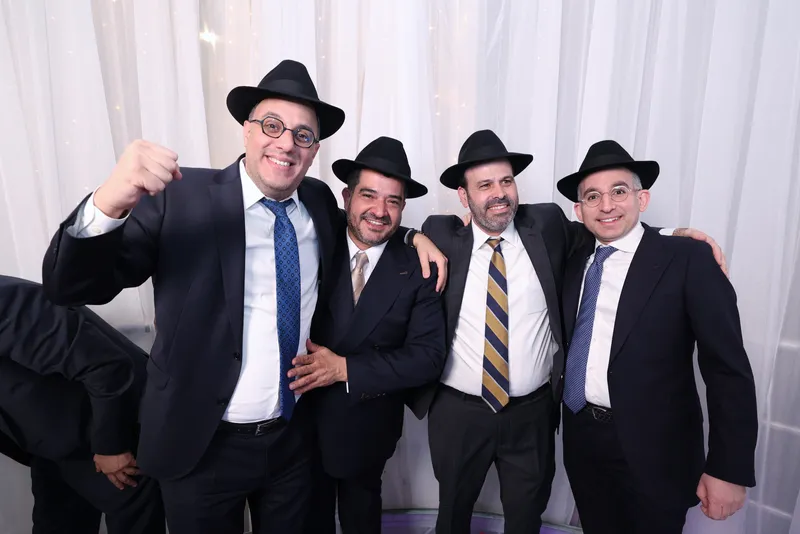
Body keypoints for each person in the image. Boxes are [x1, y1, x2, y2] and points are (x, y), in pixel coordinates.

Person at [40, 60, 445, 534]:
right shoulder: (179, 198)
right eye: (272, 125)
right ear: (247, 130)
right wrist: (108, 203)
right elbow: (72, 288)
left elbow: (368, 225)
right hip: (201, 446)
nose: (286, 143)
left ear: (313, 151)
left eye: (303, 135)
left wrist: (414, 236)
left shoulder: (317, 202)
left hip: (293, 444)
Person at [408, 129, 725, 534]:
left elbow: (613, 229)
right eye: (484, 185)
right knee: (452, 514)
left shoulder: (547, 225)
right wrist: (411, 235)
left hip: (531, 413)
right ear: (463, 195)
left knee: (526, 516)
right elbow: (386, 233)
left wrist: (672, 234)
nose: (499, 193)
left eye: (506, 181)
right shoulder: (439, 233)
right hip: (458, 412)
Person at [555, 140, 758, 533]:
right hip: (583, 441)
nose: (607, 205)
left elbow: (727, 369)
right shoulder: (572, 258)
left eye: (619, 191)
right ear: (579, 211)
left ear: (642, 198)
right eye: (593, 197)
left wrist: (728, 469)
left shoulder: (688, 259)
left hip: (658, 451)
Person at [296, 136, 446, 534]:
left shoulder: (419, 268)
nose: (379, 211)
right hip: (296, 424)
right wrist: (413, 233)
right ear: (346, 197)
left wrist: (345, 369)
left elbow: (428, 358)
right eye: (368, 195)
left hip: (366, 429)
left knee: (361, 519)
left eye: (393, 201)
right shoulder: (313, 238)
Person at [0, 275, 164, 534]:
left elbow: (106, 366)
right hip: (49, 445)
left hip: (109, 427)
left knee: (133, 523)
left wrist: (111, 446)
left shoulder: (4, 301)